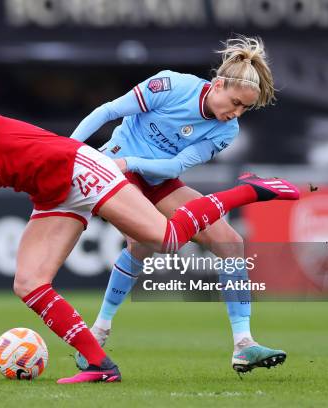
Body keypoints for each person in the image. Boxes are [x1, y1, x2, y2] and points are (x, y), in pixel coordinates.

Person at [0, 107, 299, 383]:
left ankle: (249, 190)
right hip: (53, 197)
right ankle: (99, 365)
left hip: (80, 169)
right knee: (29, 282)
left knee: (165, 239)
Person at [70, 35, 285, 373]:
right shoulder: (170, 85)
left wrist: (132, 164)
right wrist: (69, 152)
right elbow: (108, 111)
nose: (236, 113)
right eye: (235, 102)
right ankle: (99, 331)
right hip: (112, 169)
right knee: (144, 242)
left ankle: (244, 343)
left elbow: (175, 167)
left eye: (245, 108)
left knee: (230, 242)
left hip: (150, 175)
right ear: (217, 84)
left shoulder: (226, 131)